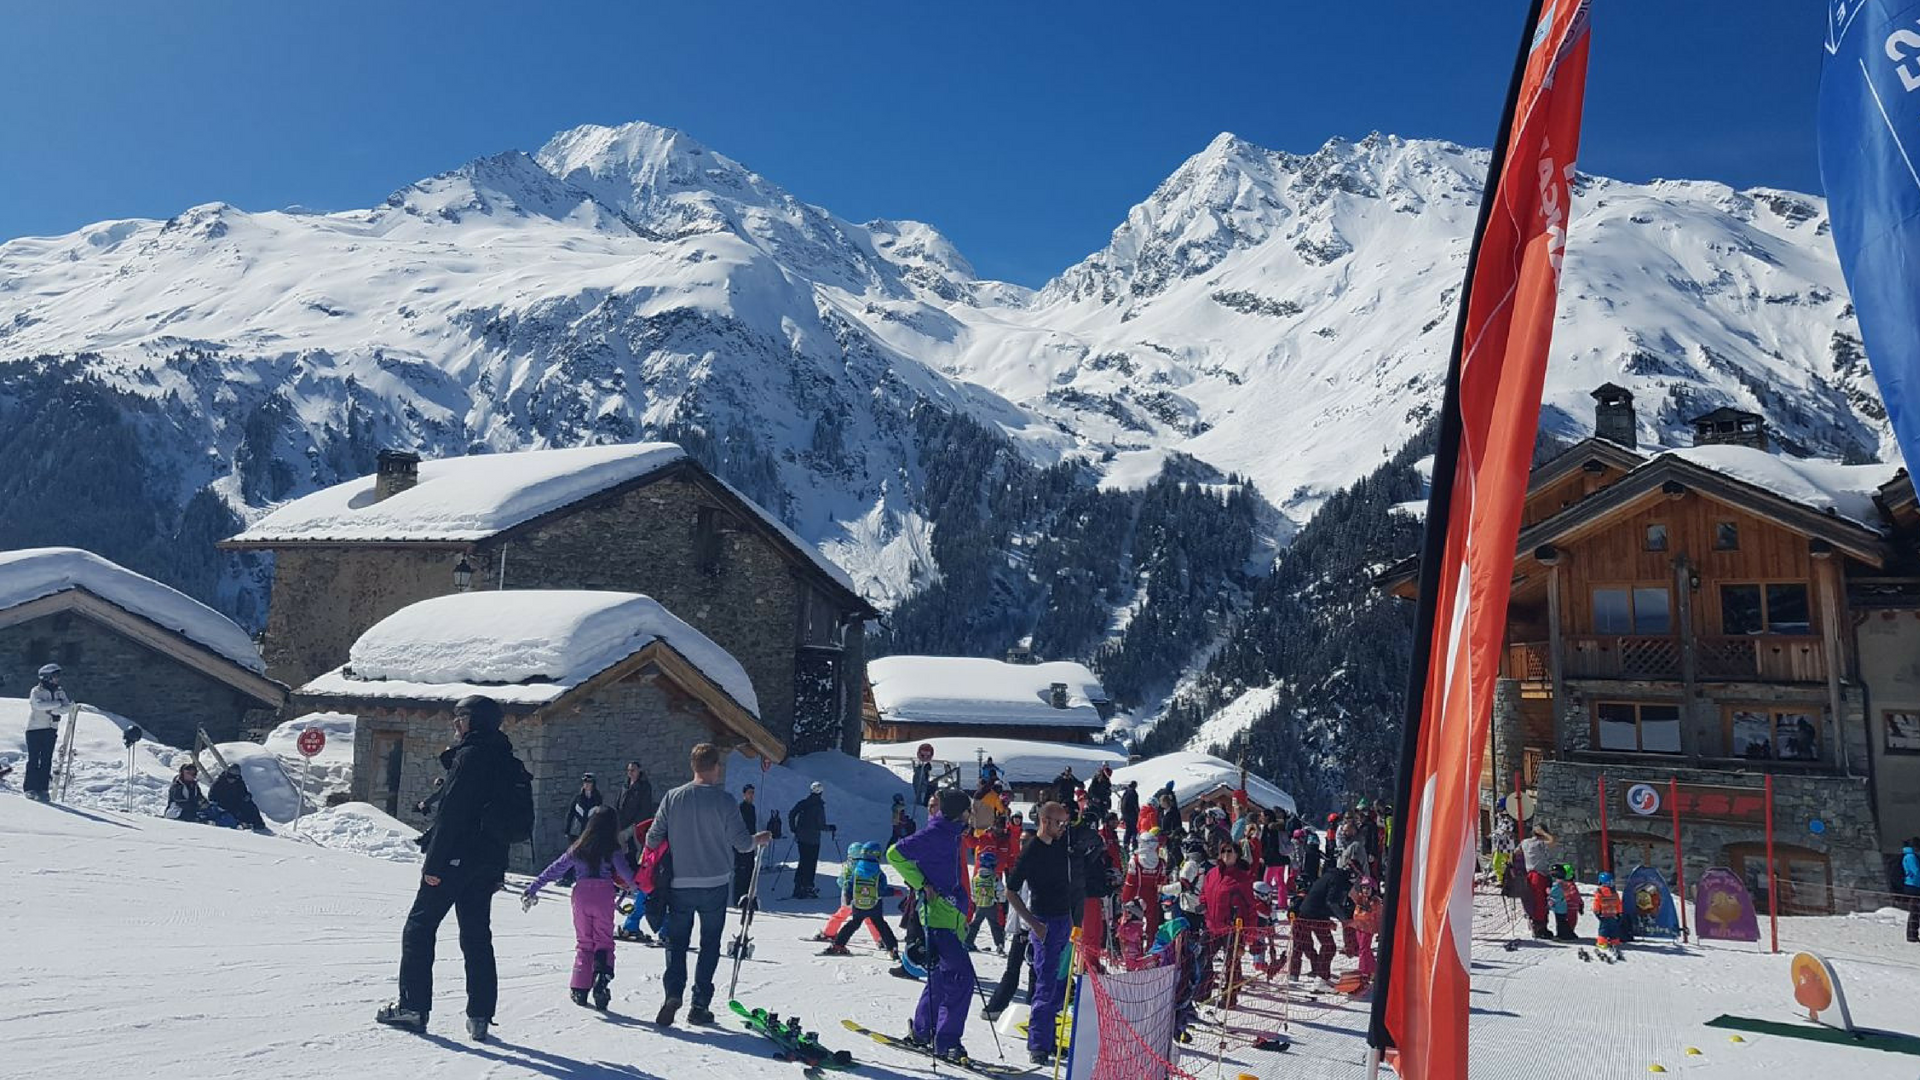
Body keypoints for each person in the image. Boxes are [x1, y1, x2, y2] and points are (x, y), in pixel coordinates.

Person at [377, 695, 520, 1041]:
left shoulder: (470, 757)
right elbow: (506, 820)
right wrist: (497, 870)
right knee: (476, 935)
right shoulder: (507, 760)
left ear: (476, 721)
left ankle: (413, 1008)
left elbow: (452, 814)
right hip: (486, 862)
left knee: (419, 927)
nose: (456, 723)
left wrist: (435, 863)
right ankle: (480, 1016)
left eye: (461, 716)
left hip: (456, 857)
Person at [645, 742, 772, 1026]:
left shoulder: (673, 798)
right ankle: (699, 1004)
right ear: (716, 768)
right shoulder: (725, 801)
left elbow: (652, 839)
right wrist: (758, 839)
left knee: (677, 942)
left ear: (693, 766)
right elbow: (742, 845)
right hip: (715, 882)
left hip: (680, 882)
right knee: (709, 943)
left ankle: (673, 993)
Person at [889, 787, 977, 1064]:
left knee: (940, 978)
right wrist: (921, 884)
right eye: (966, 810)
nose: (969, 814)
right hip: (938, 917)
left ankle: (921, 1031)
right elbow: (894, 854)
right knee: (961, 978)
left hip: (951, 915)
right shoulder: (936, 832)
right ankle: (947, 1041)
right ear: (956, 812)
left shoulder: (951, 832)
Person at [522, 805, 636, 1009]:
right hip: (604, 894)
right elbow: (627, 875)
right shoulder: (613, 849)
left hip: (581, 895)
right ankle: (602, 977)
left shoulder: (578, 847)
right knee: (604, 941)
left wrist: (533, 887)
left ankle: (580, 988)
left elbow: (555, 869)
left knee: (584, 942)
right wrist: (640, 888)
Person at [1005, 800, 1076, 1067]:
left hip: (1063, 921)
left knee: (1060, 986)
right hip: (1044, 922)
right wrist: (1034, 924)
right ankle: (1038, 1044)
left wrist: (1069, 917)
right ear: (1045, 821)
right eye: (1059, 823)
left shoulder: (1059, 847)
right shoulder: (1031, 849)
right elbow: (1011, 891)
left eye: (1064, 824)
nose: (1062, 828)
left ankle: (1050, 1038)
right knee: (1045, 986)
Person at [1200, 839, 1258, 1005]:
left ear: (1237, 855)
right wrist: (1203, 906)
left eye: (1230, 851)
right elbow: (1204, 892)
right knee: (1204, 959)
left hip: (1233, 927)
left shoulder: (1242, 878)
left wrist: (1250, 933)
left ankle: (1230, 997)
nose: (1226, 854)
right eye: (1224, 851)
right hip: (1212, 925)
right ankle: (1203, 993)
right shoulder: (1212, 873)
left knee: (1232, 964)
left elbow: (1250, 906)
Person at [826, 842, 900, 958]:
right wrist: (893, 891)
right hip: (874, 905)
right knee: (881, 925)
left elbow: (850, 886)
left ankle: (838, 944)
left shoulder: (857, 871)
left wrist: (848, 897)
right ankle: (892, 948)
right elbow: (881, 890)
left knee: (853, 924)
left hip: (858, 904)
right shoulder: (879, 873)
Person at [1291, 864, 1351, 983]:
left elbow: (1321, 900)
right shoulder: (1337, 880)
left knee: (1303, 945)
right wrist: (1343, 919)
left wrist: (1328, 920)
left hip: (1310, 914)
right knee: (1325, 946)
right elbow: (1331, 902)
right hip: (1313, 916)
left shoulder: (1328, 876)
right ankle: (1321, 976)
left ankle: (1311, 972)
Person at [22, 663, 70, 803]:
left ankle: (43, 789)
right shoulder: (36, 691)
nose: (57, 679)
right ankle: (30, 788)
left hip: (51, 729)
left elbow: (66, 707)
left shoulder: (60, 691)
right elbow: (38, 705)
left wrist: (53, 709)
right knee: (34, 759)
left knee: (46, 759)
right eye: (55, 676)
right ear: (46, 677)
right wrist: (57, 704)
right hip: (35, 729)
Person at [1122, 830, 1169, 941]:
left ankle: (1135, 950)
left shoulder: (1135, 861)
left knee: (1133, 924)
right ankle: (1151, 947)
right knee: (1152, 925)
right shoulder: (1161, 863)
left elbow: (1130, 883)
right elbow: (1162, 881)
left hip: (1136, 896)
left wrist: (1124, 899)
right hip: (1152, 896)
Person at [789, 782, 830, 899]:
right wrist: (830, 828)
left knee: (803, 861)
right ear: (821, 792)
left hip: (801, 838)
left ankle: (798, 886)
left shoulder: (803, 803)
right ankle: (808, 886)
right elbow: (820, 825)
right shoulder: (818, 806)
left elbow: (792, 814)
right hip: (813, 839)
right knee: (811, 863)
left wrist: (794, 829)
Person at [964, 849, 1007, 953]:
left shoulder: (976, 878)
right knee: (995, 925)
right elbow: (1001, 891)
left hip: (979, 905)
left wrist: (975, 900)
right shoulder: (994, 878)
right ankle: (999, 944)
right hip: (991, 905)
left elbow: (973, 891)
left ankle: (968, 942)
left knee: (975, 924)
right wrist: (1001, 900)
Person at [1520, 825, 1556, 939]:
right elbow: (1552, 841)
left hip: (1529, 874)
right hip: (1540, 876)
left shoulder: (1524, 842)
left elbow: (1516, 852)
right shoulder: (1539, 843)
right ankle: (1540, 929)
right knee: (1541, 902)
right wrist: (1544, 833)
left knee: (1533, 901)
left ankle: (1536, 925)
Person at [207, 765, 268, 831]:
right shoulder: (219, 783)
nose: (231, 779)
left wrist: (247, 797)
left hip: (236, 804)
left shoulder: (239, 783)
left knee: (250, 805)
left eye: (233, 778)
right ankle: (240, 823)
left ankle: (257, 823)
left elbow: (244, 793)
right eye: (230, 777)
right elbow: (212, 796)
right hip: (223, 805)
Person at [616, 761, 653, 866]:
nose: (630, 773)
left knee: (639, 847)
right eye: (629, 770)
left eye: (633, 770)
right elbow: (619, 803)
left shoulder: (644, 786)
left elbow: (645, 807)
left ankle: (640, 869)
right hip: (624, 822)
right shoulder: (625, 786)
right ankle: (622, 866)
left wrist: (637, 823)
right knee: (620, 840)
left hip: (637, 823)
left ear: (638, 771)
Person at [734, 784, 760, 905]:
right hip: (741, 844)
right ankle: (737, 898)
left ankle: (747, 897)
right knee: (740, 872)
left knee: (750, 871)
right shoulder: (740, 808)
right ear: (744, 794)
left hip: (751, 843)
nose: (751, 795)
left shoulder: (752, 808)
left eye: (753, 793)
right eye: (749, 792)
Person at [1592, 871, 1625, 959]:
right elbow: (1619, 903)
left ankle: (1602, 942)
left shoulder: (1599, 892)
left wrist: (1597, 911)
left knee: (1604, 929)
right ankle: (1615, 941)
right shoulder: (1614, 892)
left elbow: (1596, 903)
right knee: (1614, 929)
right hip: (1613, 914)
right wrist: (1619, 912)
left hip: (1604, 914)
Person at [1548, 864, 1583, 941]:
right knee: (1564, 921)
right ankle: (1569, 933)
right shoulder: (1564, 884)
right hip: (1565, 906)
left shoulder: (1562, 885)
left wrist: (1548, 892)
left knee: (1563, 922)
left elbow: (1574, 895)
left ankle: (1565, 935)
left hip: (1567, 906)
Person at [565, 774, 603, 843]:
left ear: (593, 784)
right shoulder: (577, 798)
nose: (587, 784)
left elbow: (599, 816)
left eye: (589, 782)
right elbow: (570, 814)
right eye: (585, 782)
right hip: (576, 832)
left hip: (590, 832)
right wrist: (567, 830)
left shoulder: (598, 798)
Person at [1902, 838, 1920, 944]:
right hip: (1914, 887)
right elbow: (1917, 871)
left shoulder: (1911, 855)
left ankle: (1912, 934)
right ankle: (1912, 935)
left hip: (1914, 885)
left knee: (1915, 911)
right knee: (1915, 911)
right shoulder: (1911, 856)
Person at [1120, 780, 1141, 852]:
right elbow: (1135, 805)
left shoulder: (1125, 793)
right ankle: (1135, 845)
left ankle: (1126, 844)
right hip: (1132, 814)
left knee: (1128, 830)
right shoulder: (1133, 793)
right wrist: (1138, 813)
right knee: (1135, 829)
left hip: (1125, 814)